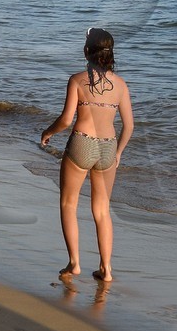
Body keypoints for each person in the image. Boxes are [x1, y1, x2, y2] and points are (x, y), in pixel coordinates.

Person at [39, 28, 134, 282]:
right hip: (108, 147)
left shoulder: (77, 80)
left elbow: (66, 120)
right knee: (102, 210)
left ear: (86, 51)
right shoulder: (121, 85)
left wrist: (48, 132)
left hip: (83, 142)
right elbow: (129, 126)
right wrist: (119, 152)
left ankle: (74, 264)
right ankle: (106, 269)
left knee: (68, 204)